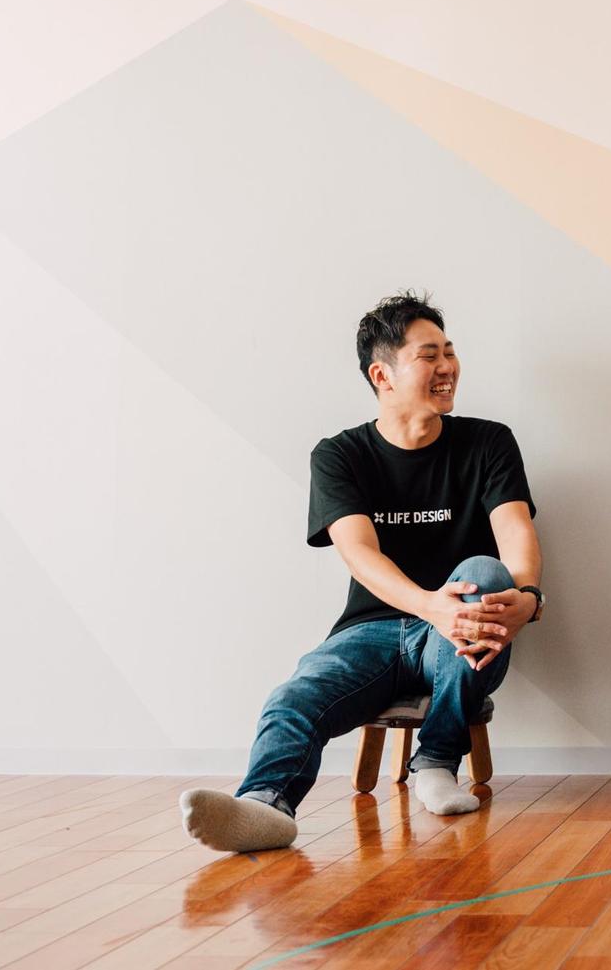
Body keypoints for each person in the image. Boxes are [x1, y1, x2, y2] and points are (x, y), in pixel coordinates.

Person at [180, 292, 543, 852]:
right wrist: (430, 605)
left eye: (449, 352)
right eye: (429, 356)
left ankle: (437, 760)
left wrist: (529, 596)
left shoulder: (487, 442)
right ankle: (264, 806)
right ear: (382, 374)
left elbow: (515, 533)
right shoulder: (340, 455)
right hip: (372, 629)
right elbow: (359, 554)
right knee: (297, 693)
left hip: (463, 633)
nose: (447, 367)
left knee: (486, 572)